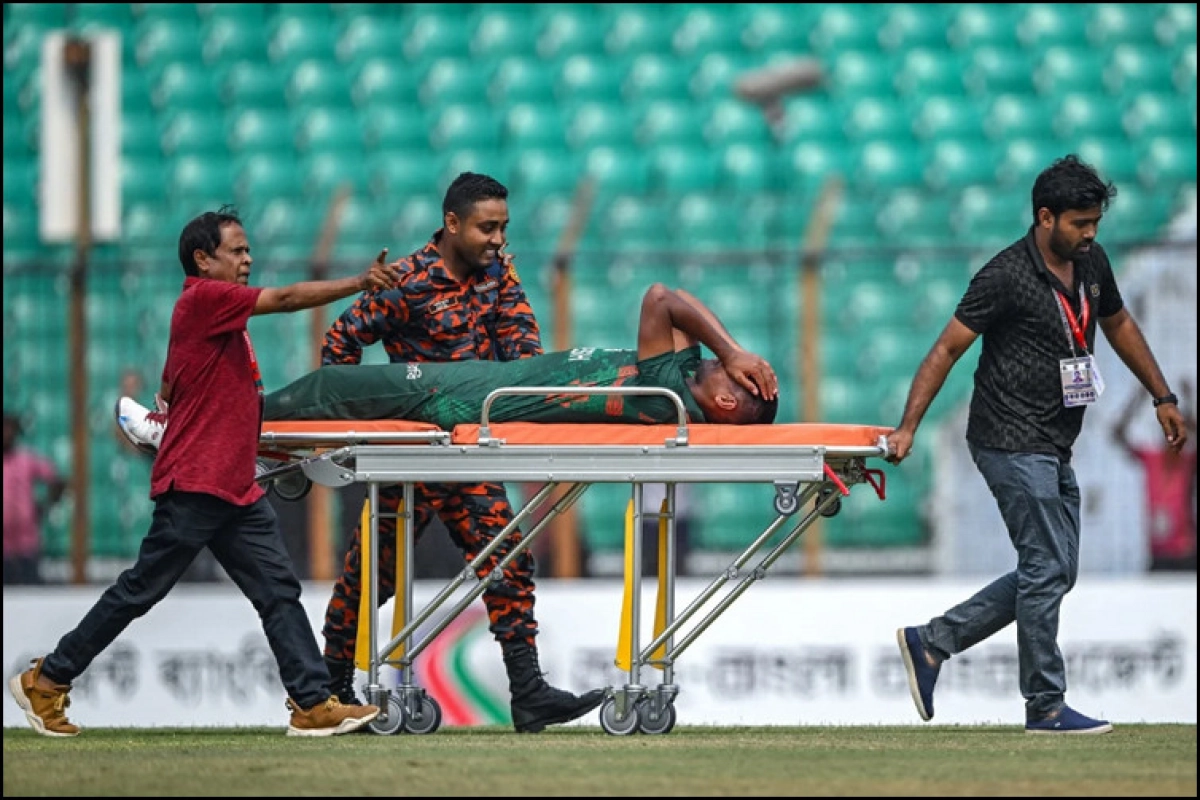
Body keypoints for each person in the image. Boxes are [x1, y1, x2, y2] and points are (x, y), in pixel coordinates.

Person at [9, 206, 398, 738]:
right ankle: (47, 680)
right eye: (237, 251)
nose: (248, 258)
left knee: (277, 591)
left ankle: (311, 703)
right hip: (197, 482)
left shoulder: (204, 316)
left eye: (247, 250)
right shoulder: (206, 299)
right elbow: (283, 301)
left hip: (232, 485)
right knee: (140, 592)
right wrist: (359, 282)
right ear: (202, 259)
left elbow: (169, 386)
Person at [885, 155, 1189, 735]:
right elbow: (946, 350)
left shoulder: (1092, 261)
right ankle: (1045, 705)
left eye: (1095, 222)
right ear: (1045, 217)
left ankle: (934, 642)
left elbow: (1119, 323)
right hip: (1008, 438)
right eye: (1079, 223)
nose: (1091, 233)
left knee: (1052, 571)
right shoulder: (1004, 275)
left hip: (1055, 443)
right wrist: (908, 427)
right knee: (1047, 567)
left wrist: (1162, 395)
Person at [123, 283, 779, 429]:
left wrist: (734, 348)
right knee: (334, 399)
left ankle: (183, 428)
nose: (728, 366)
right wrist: (729, 351)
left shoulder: (666, 397)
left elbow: (663, 296)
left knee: (331, 385)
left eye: (734, 376)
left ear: (724, 400)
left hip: (473, 393)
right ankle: (212, 427)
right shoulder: (672, 381)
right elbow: (667, 302)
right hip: (484, 382)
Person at [1111, 379, 1196, 571]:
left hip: (1186, 551)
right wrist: (1136, 400)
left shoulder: (1188, 461)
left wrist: (1190, 402)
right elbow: (1118, 434)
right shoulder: (1152, 458)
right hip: (1158, 553)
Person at [3, 411, 68, 585]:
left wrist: (44, 506)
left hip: (27, 541)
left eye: (10, 430)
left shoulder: (26, 459)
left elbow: (57, 480)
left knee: (30, 593)